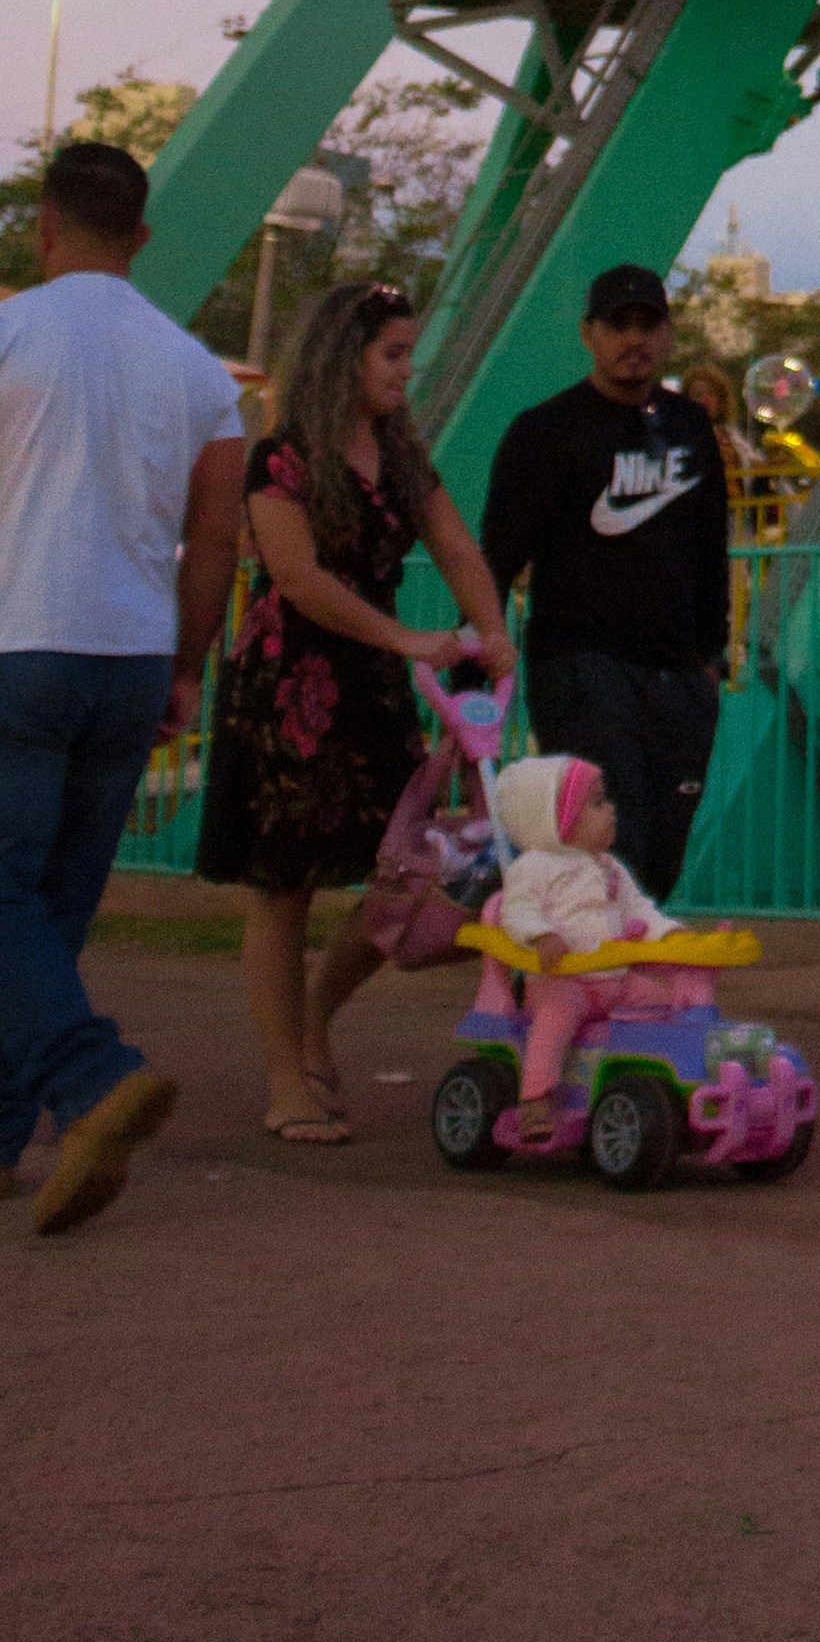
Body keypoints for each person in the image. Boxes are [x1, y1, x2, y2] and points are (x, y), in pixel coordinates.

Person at [196, 273, 512, 1138]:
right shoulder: (283, 456)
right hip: (290, 681)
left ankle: (314, 1022)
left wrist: (493, 626)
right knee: (283, 884)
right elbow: (296, 579)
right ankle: (283, 1083)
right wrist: (411, 641)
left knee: (401, 872)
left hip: (370, 681)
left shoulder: (404, 456)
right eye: (394, 353)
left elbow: (454, 543)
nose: (407, 371)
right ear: (348, 358)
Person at [0, 140, 246, 1239]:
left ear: (44, 227)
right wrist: (186, 664)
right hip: (131, 657)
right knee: (51, 909)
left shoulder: (10, 333)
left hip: (21, 642)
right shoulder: (199, 371)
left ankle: (95, 1079)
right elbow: (217, 538)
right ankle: (9, 1139)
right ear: (141, 236)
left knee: (5, 897)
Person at [480, 264, 732, 894]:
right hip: (582, 664)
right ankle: (570, 976)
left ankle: (601, 975)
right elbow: (497, 556)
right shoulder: (544, 431)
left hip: (677, 672)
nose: (633, 340)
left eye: (648, 325)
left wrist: (711, 655)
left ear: (669, 335)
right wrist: (473, 667)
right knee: (614, 837)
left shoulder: (689, 427)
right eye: (617, 326)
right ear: (588, 334)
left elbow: (709, 544)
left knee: (663, 850)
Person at [487, 748, 697, 1124]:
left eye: (607, 800)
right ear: (557, 821)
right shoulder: (534, 867)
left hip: (614, 979)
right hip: (563, 980)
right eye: (597, 803)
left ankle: (651, 1081)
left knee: (667, 1004)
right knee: (555, 1018)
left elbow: (639, 911)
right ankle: (536, 1097)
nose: (611, 809)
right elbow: (516, 911)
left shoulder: (611, 869)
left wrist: (668, 934)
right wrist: (541, 935)